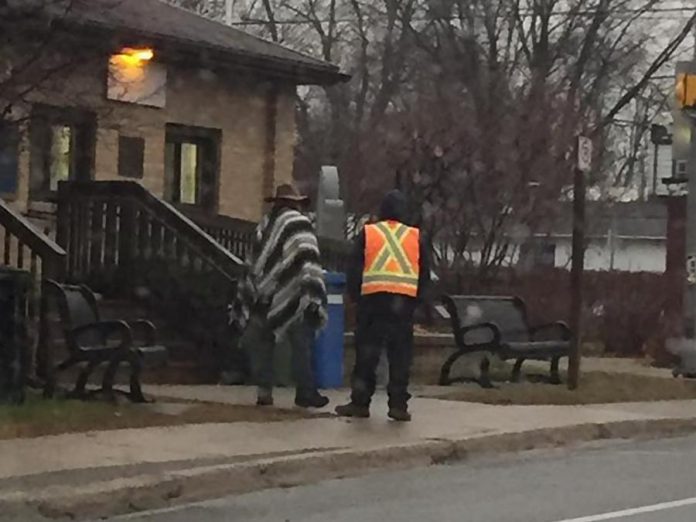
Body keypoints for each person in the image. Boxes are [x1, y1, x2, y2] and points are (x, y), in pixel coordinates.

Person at [336, 189, 430, 422]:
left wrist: (357, 298)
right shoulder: (414, 236)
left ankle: (360, 402)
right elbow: (424, 274)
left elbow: (354, 269)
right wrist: (416, 302)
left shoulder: (369, 233)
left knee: (367, 354)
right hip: (403, 304)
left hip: (373, 302)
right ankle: (398, 405)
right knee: (400, 356)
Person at [247, 183, 330, 409]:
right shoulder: (299, 223)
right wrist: (311, 289)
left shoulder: (265, 225)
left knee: (263, 342)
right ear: (295, 203)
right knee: (300, 343)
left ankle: (264, 391)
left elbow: (256, 259)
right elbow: (308, 259)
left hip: (264, 291)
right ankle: (305, 391)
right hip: (295, 293)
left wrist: (262, 285)